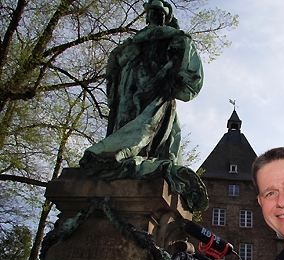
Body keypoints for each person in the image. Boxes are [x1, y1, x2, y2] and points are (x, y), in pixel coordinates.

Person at [79, 0, 207, 213]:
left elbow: (189, 72)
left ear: (165, 16)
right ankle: (122, 158)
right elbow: (115, 66)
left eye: (158, 12)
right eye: (151, 12)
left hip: (155, 93)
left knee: (146, 131)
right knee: (125, 125)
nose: (154, 16)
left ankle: (134, 158)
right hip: (128, 91)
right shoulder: (133, 43)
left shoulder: (174, 39)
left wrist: (170, 75)